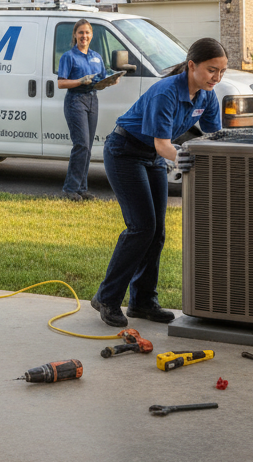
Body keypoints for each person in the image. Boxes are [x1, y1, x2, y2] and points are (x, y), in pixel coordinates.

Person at [91, 37, 226, 328]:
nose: (217, 77)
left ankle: (142, 301)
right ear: (192, 66)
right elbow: (163, 144)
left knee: (157, 231)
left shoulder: (207, 95)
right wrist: (181, 157)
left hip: (150, 157)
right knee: (141, 227)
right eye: (212, 70)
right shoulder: (166, 92)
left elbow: (215, 137)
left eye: (222, 72)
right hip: (124, 152)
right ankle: (107, 297)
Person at [57, 18, 117, 201]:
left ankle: (82, 189)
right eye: (81, 32)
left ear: (91, 35)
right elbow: (61, 83)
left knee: (87, 147)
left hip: (93, 100)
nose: (84, 36)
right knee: (81, 145)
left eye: (87, 33)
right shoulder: (68, 56)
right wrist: (80, 81)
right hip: (75, 100)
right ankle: (70, 189)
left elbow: (101, 79)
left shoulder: (96, 56)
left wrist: (111, 80)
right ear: (75, 35)